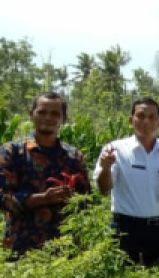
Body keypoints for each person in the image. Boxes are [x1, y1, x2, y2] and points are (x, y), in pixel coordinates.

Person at [95, 97, 159, 265]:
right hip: (126, 229)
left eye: (152, 117)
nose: (146, 121)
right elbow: (104, 189)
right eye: (140, 116)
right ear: (130, 120)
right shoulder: (115, 150)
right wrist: (104, 167)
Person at [0, 92, 92, 255]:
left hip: (66, 251)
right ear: (31, 115)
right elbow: (3, 198)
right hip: (22, 249)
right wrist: (43, 198)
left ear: (64, 119)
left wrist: (72, 198)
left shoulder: (73, 157)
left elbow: (86, 202)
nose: (48, 117)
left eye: (55, 113)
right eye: (42, 112)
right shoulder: (11, 152)